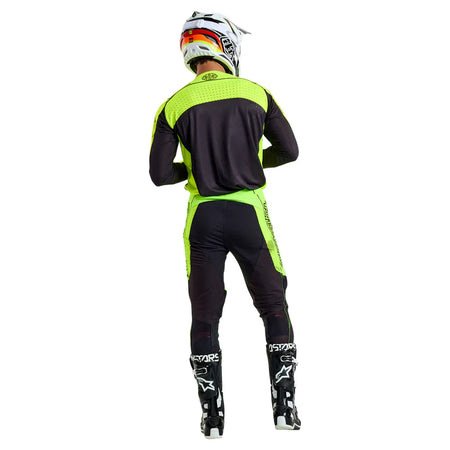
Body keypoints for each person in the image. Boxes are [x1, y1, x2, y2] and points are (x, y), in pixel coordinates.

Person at [149, 11, 301, 438]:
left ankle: (212, 418)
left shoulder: (173, 105)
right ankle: (284, 407)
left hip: (203, 217)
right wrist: (251, 160)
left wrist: (196, 168)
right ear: (226, 45)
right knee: (273, 305)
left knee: (204, 315)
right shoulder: (256, 93)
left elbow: (159, 174)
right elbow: (289, 151)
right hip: (249, 212)